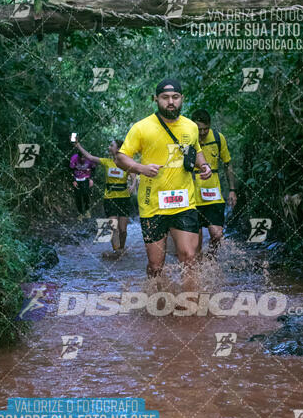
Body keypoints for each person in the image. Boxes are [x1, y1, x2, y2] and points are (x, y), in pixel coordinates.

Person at [115, 78, 212, 280]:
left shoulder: (190, 127)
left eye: (175, 97)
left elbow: (195, 151)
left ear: (182, 99)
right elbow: (121, 158)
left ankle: (190, 304)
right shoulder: (141, 128)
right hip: (153, 205)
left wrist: (203, 165)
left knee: (189, 256)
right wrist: (140, 168)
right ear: (156, 99)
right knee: (156, 265)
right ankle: (156, 299)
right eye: (165, 97)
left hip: (184, 202)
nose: (171, 102)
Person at [74, 139, 136, 252]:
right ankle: (116, 251)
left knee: (123, 230)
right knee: (113, 227)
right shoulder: (107, 162)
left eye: (111, 145)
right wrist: (78, 145)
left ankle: (122, 249)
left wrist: (133, 185)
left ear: (118, 149)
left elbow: (133, 174)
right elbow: (90, 157)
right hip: (110, 198)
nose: (109, 147)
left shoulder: (126, 163)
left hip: (124, 198)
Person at [191, 109, 237, 256]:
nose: (203, 132)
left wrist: (232, 189)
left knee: (217, 235)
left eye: (206, 128)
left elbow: (227, 163)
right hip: (192, 197)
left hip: (213, 195)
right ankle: (199, 270)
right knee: (195, 244)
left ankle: (211, 260)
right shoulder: (187, 140)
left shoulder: (218, 138)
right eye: (199, 129)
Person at [69, 152, 96, 221]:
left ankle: (87, 211)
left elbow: (94, 169)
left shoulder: (90, 158)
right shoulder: (74, 158)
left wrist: (91, 179)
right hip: (77, 178)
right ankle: (80, 213)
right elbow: (70, 170)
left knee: (86, 194)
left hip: (86, 178)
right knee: (78, 196)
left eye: (84, 158)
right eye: (81, 158)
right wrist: (73, 180)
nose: (82, 159)